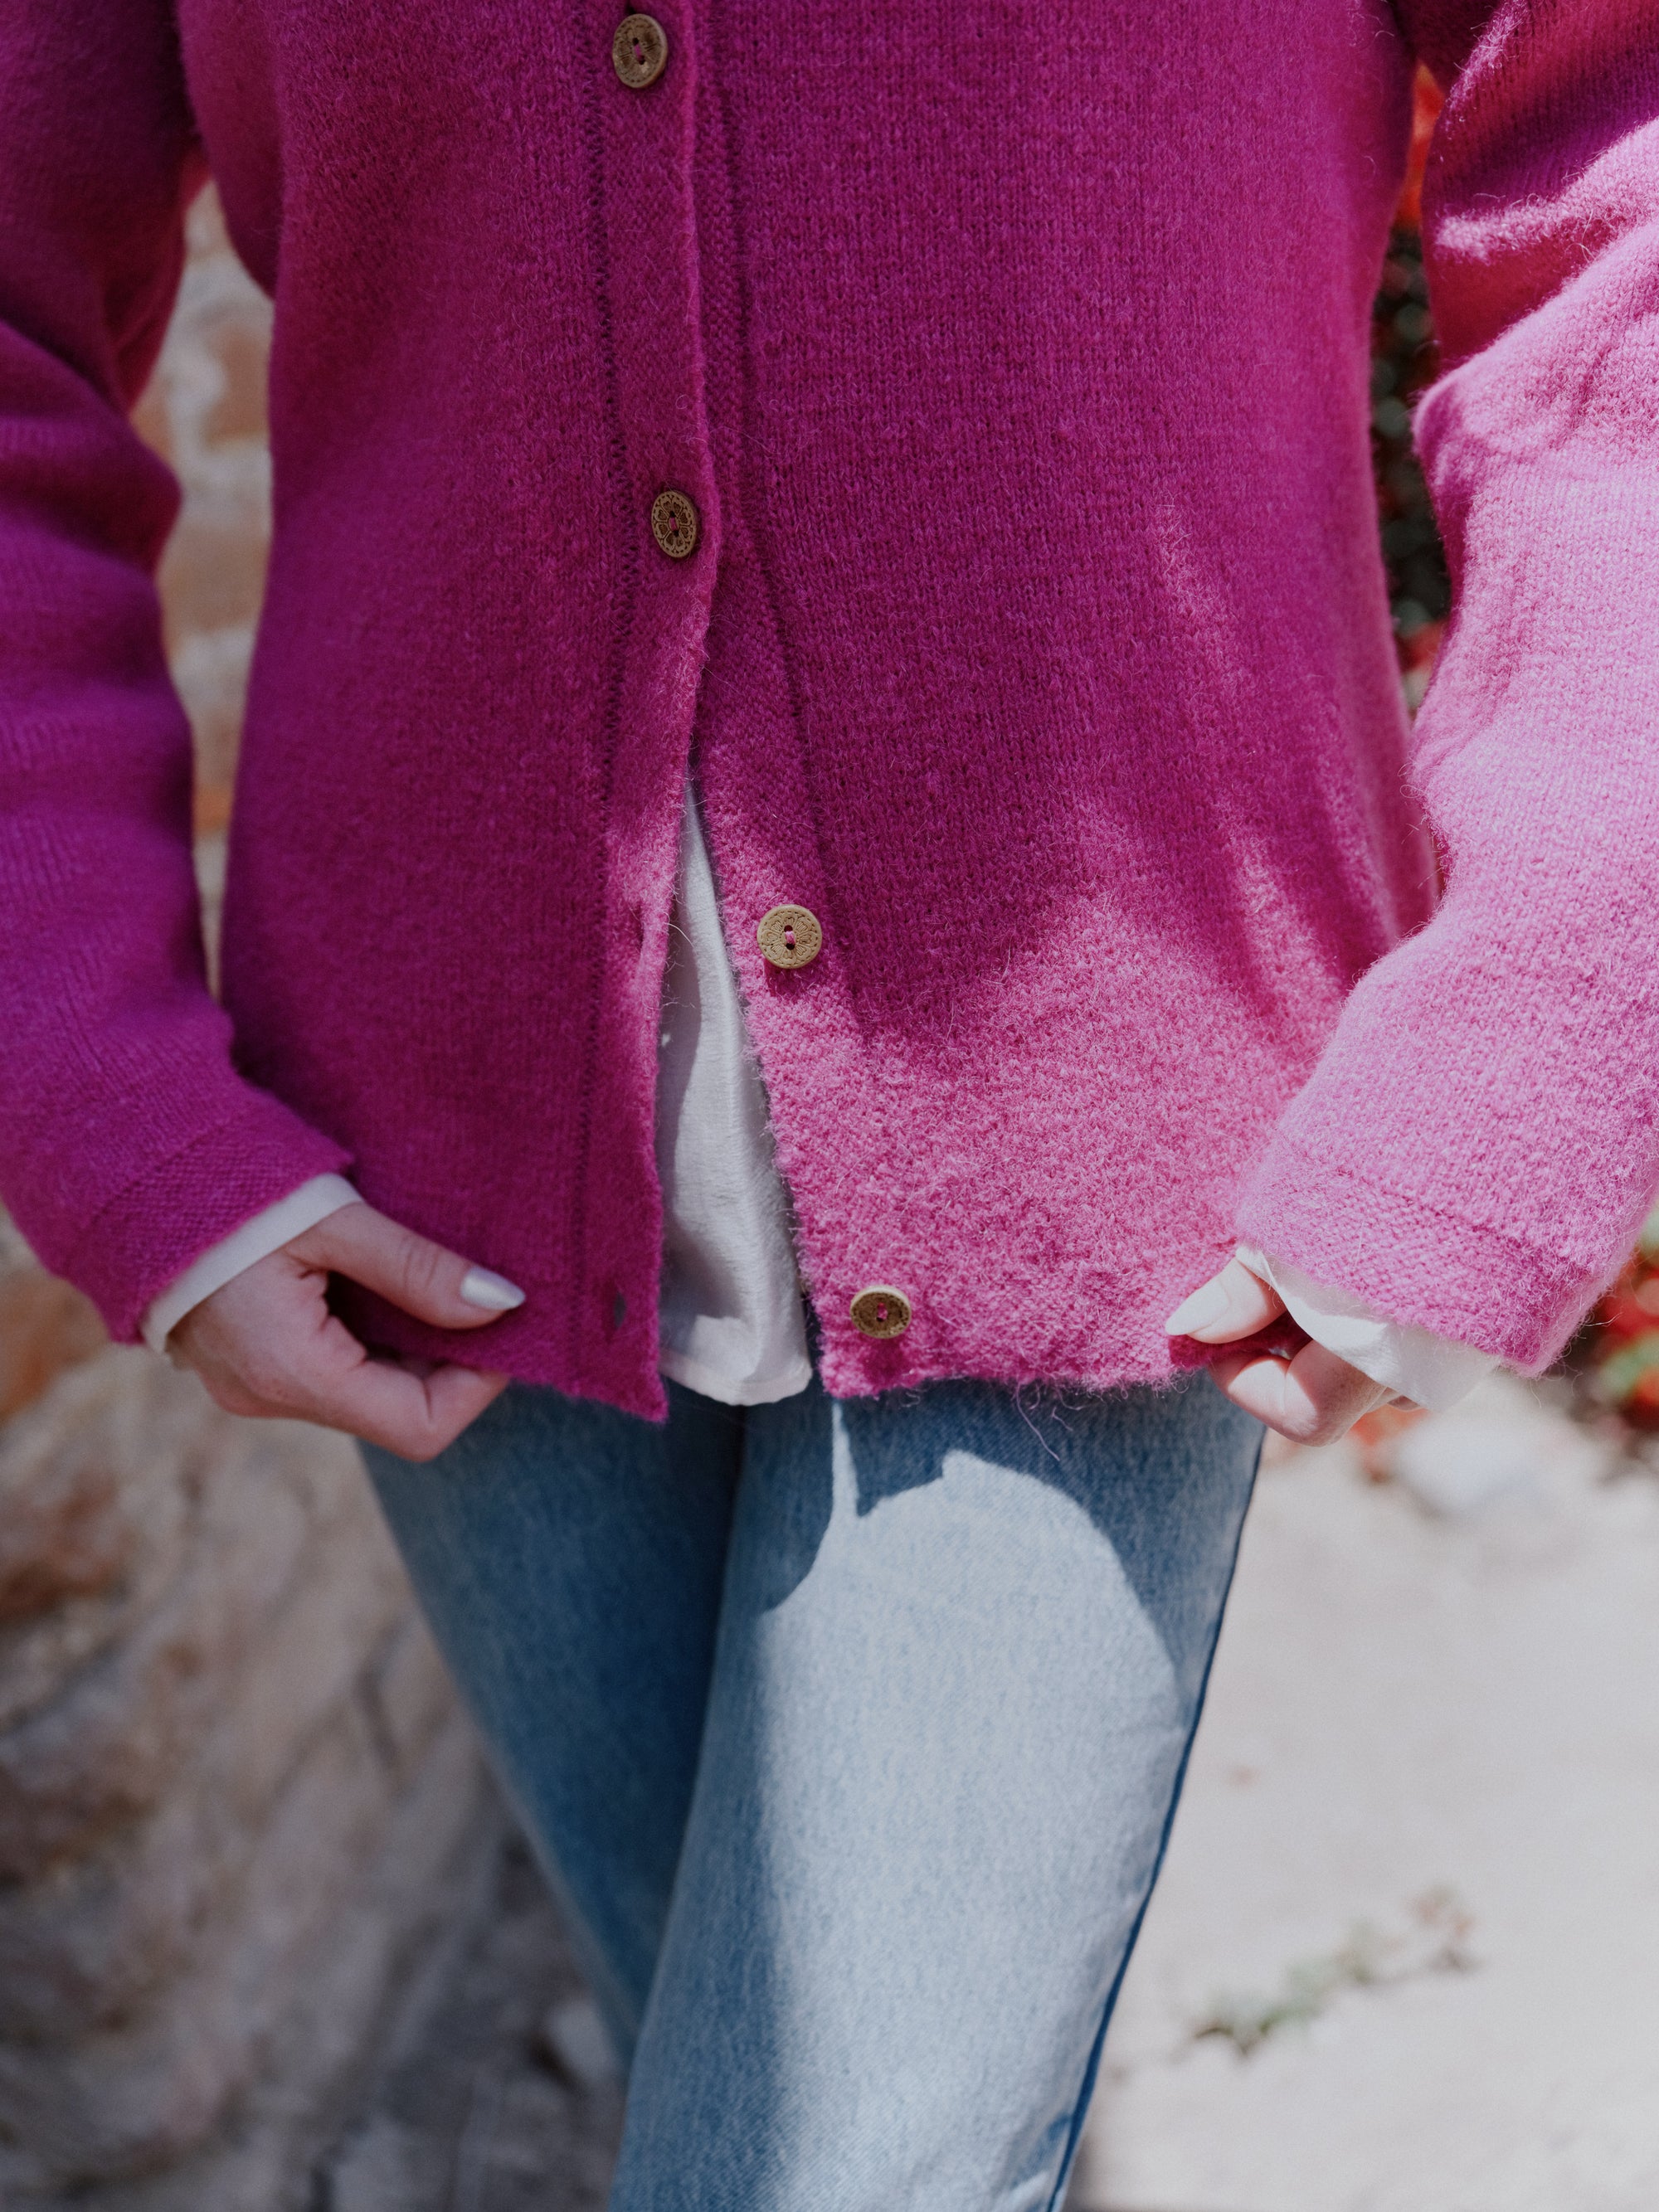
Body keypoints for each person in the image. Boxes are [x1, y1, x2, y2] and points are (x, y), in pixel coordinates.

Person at [2, 2, 1655, 2202]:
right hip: (444, 1181)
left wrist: (1536, 1029)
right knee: (824, 2086)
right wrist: (108, 1098)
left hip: (1115, 1162)